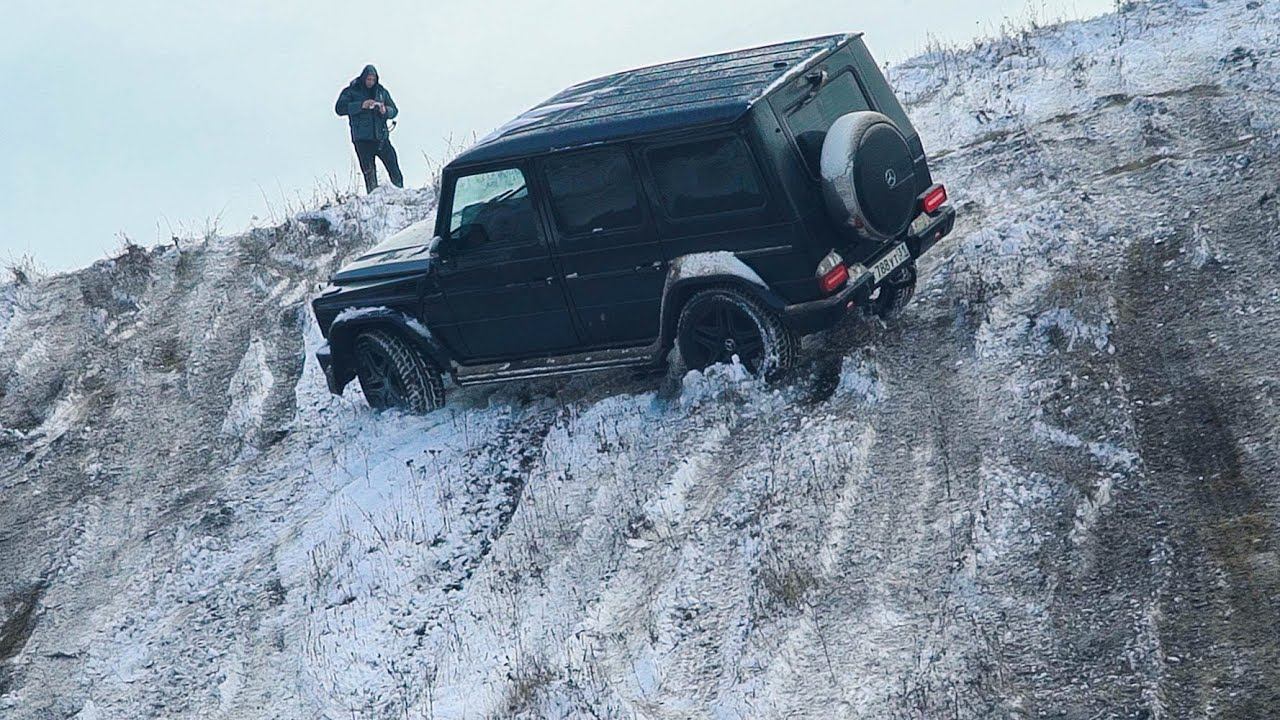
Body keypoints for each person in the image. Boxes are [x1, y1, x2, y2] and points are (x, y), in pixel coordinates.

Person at [335, 64, 403, 193]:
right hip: (362, 140)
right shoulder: (351, 91)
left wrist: (385, 110)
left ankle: (401, 193)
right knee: (369, 174)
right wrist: (361, 105)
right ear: (363, 78)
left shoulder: (381, 91)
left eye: (373, 79)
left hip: (381, 138)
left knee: (394, 168)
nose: (370, 82)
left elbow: (394, 110)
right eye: (368, 79)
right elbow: (339, 108)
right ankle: (374, 199)